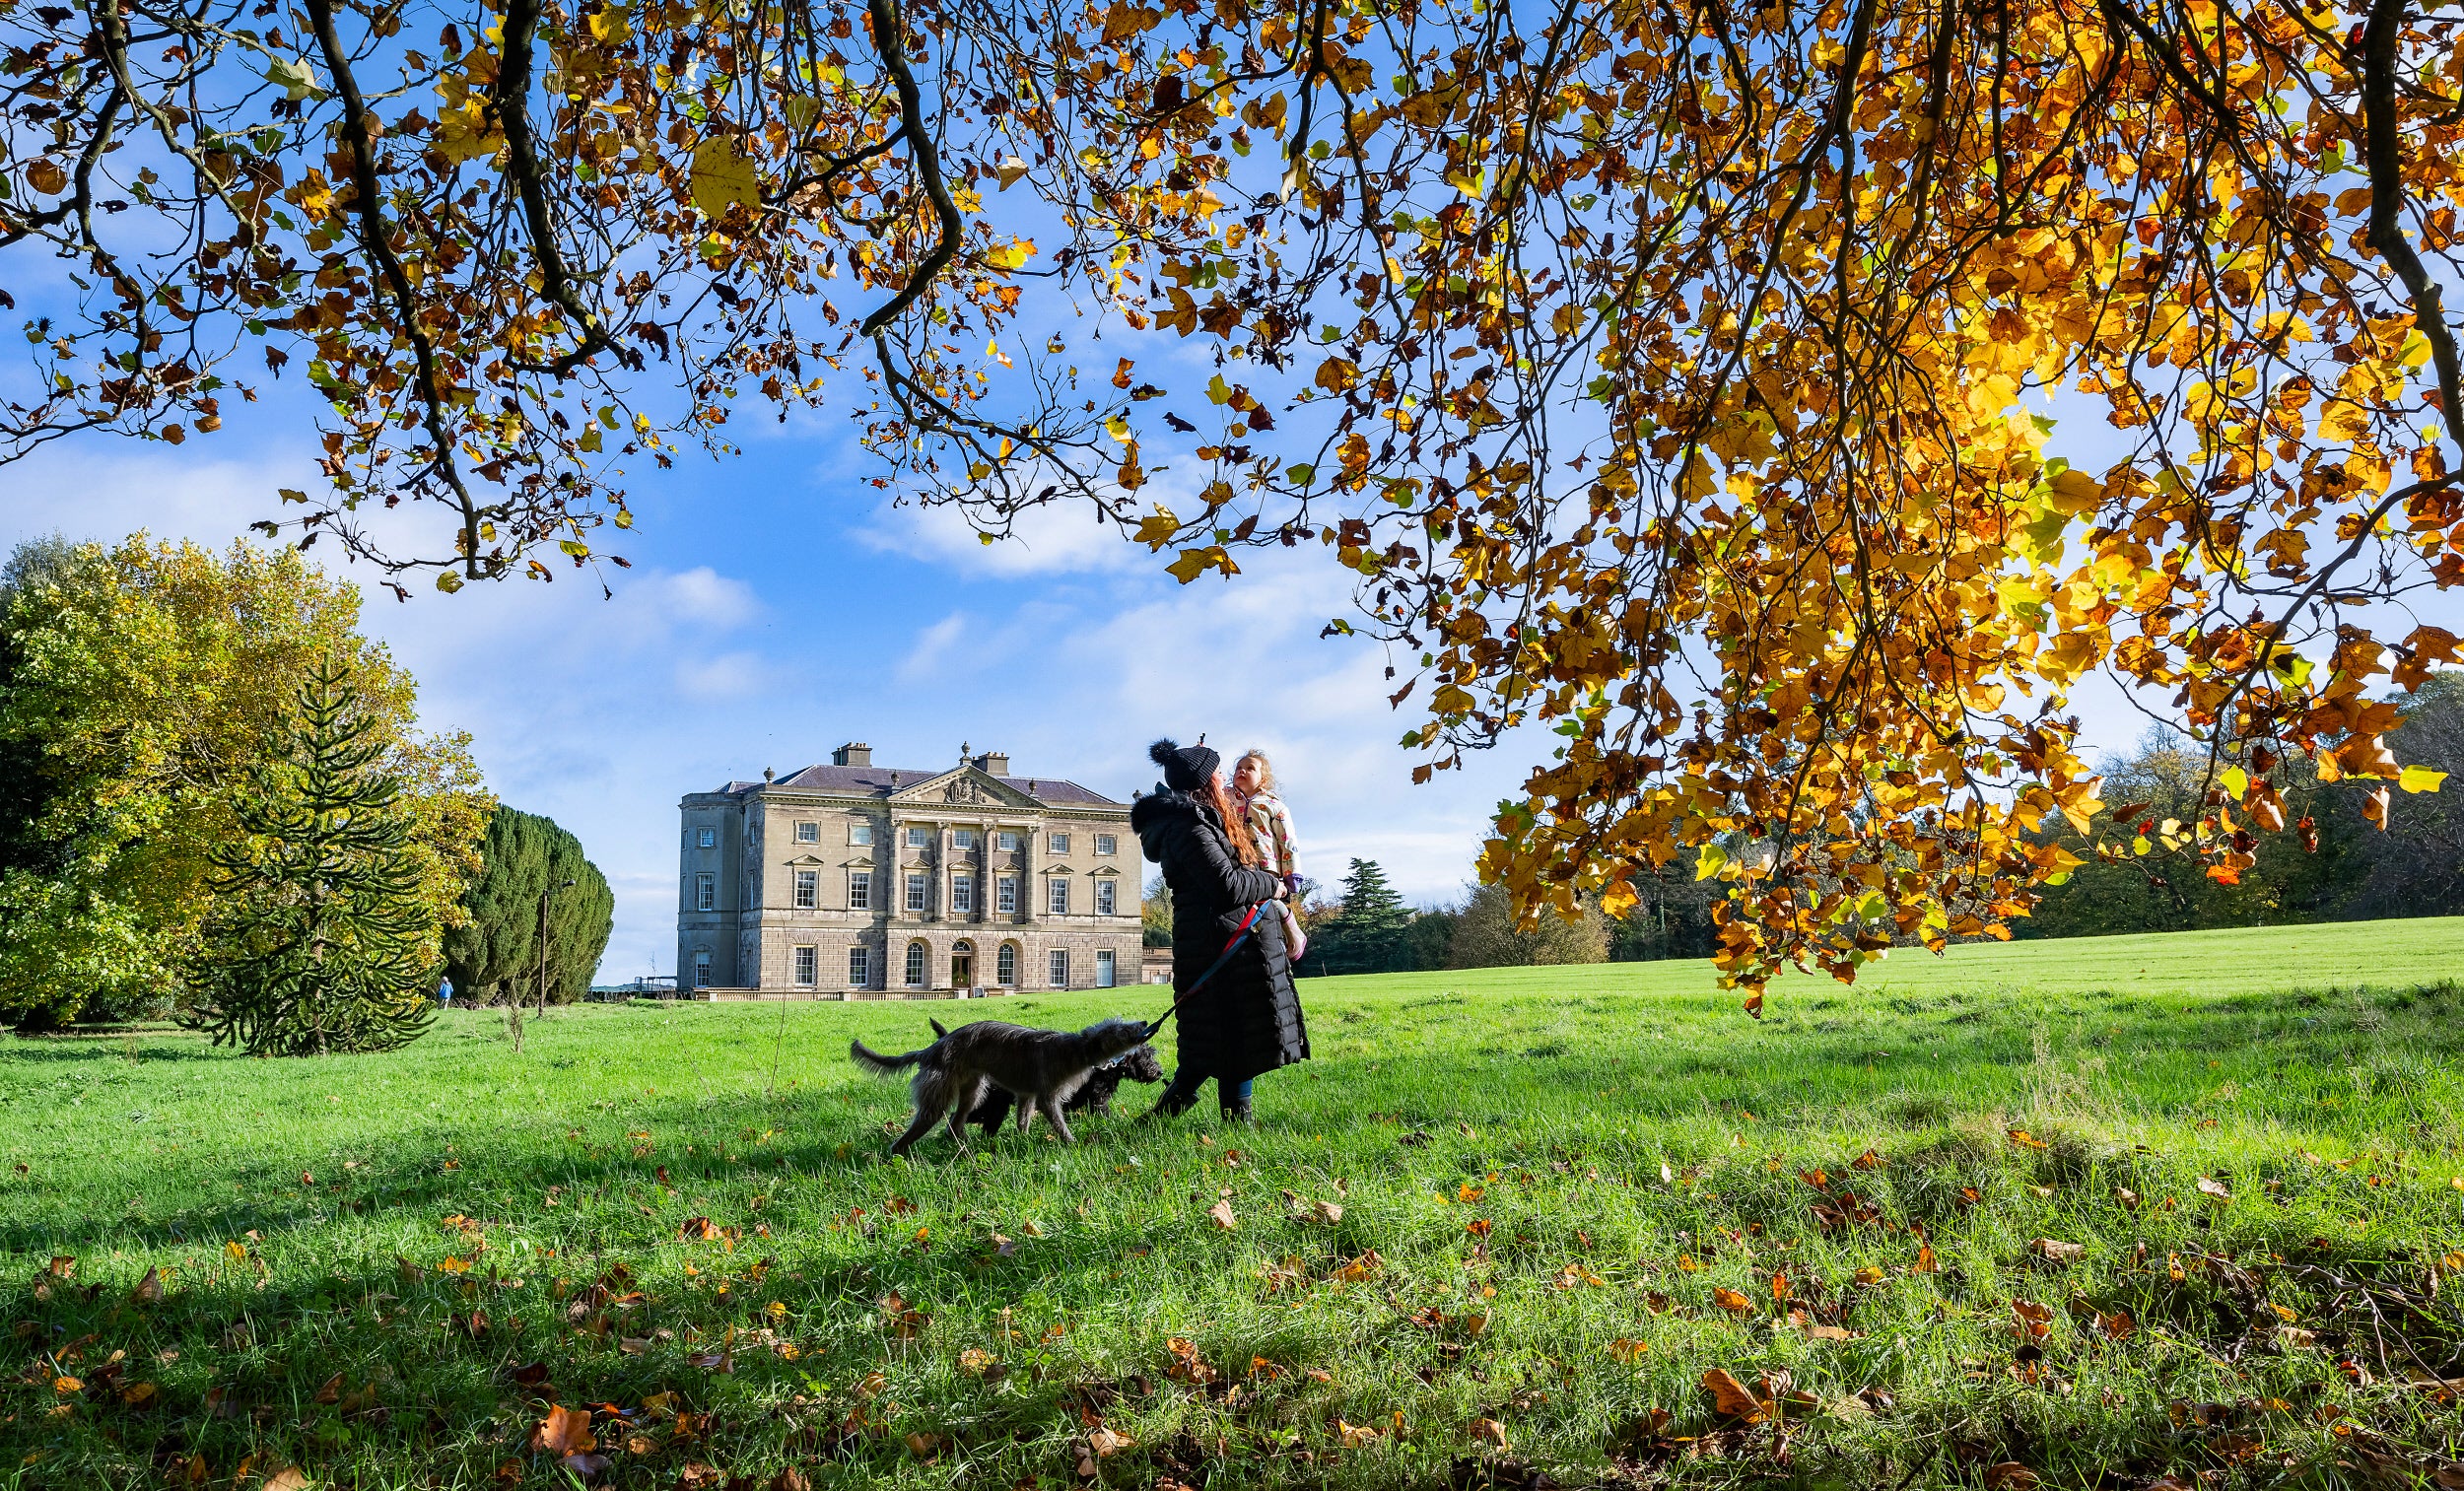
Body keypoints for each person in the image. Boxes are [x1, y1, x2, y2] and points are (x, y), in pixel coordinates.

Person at [1130, 738, 1308, 1124]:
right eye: (1217, 772)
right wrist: (1271, 884)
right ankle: (1213, 1124)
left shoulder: (1198, 820)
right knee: (1220, 1040)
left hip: (1221, 942)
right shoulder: (1189, 827)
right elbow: (1227, 886)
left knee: (1225, 1040)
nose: (1225, 776)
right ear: (1204, 783)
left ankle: (1200, 1123)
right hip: (1217, 944)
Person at [1229, 749, 1308, 962]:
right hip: (1238, 863)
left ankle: (1292, 931)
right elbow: (1206, 789)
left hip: (1266, 865)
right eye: (1238, 768)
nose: (1242, 771)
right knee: (1246, 905)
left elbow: (1287, 840)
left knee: (1268, 901)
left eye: (1250, 768)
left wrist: (1291, 874)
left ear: (1263, 779)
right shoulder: (1227, 799)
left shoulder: (1274, 805)